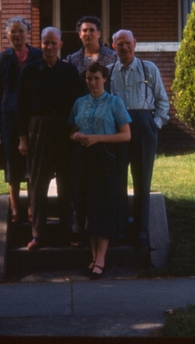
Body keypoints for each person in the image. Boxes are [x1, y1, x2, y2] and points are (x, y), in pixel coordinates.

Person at [16, 27, 82, 250]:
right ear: (40, 44)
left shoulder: (70, 71)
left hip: (64, 128)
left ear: (61, 44)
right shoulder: (30, 71)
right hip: (38, 128)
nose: (50, 47)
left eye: (54, 43)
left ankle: (70, 231)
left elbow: (78, 105)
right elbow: (21, 107)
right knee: (38, 182)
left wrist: (74, 129)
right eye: (46, 43)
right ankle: (38, 235)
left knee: (68, 181)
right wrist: (23, 138)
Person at [69, 61, 131, 279]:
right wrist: (75, 136)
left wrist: (97, 138)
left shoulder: (115, 103)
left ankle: (101, 259)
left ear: (104, 79)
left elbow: (126, 135)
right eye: (89, 79)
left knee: (102, 206)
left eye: (96, 78)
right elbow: (73, 130)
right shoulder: (79, 103)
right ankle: (93, 257)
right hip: (83, 158)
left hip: (105, 158)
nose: (93, 82)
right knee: (87, 206)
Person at [107, 29, 169, 249]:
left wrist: (155, 124)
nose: (124, 47)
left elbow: (162, 101)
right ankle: (120, 228)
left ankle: (142, 232)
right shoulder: (109, 72)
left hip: (144, 125)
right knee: (118, 180)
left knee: (142, 180)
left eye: (127, 42)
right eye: (119, 44)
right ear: (113, 46)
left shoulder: (148, 68)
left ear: (135, 43)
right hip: (118, 129)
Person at [0, 17, 43, 223]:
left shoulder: (37, 55)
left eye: (21, 31)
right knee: (12, 161)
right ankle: (14, 207)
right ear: (7, 34)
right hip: (9, 116)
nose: (17, 35)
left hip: (33, 115)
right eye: (13, 32)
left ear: (27, 32)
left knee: (32, 161)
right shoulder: (1, 58)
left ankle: (31, 206)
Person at [65, 16, 117, 81]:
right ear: (80, 34)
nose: (88, 34)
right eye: (85, 30)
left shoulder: (114, 57)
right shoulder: (72, 59)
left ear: (99, 34)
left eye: (92, 30)